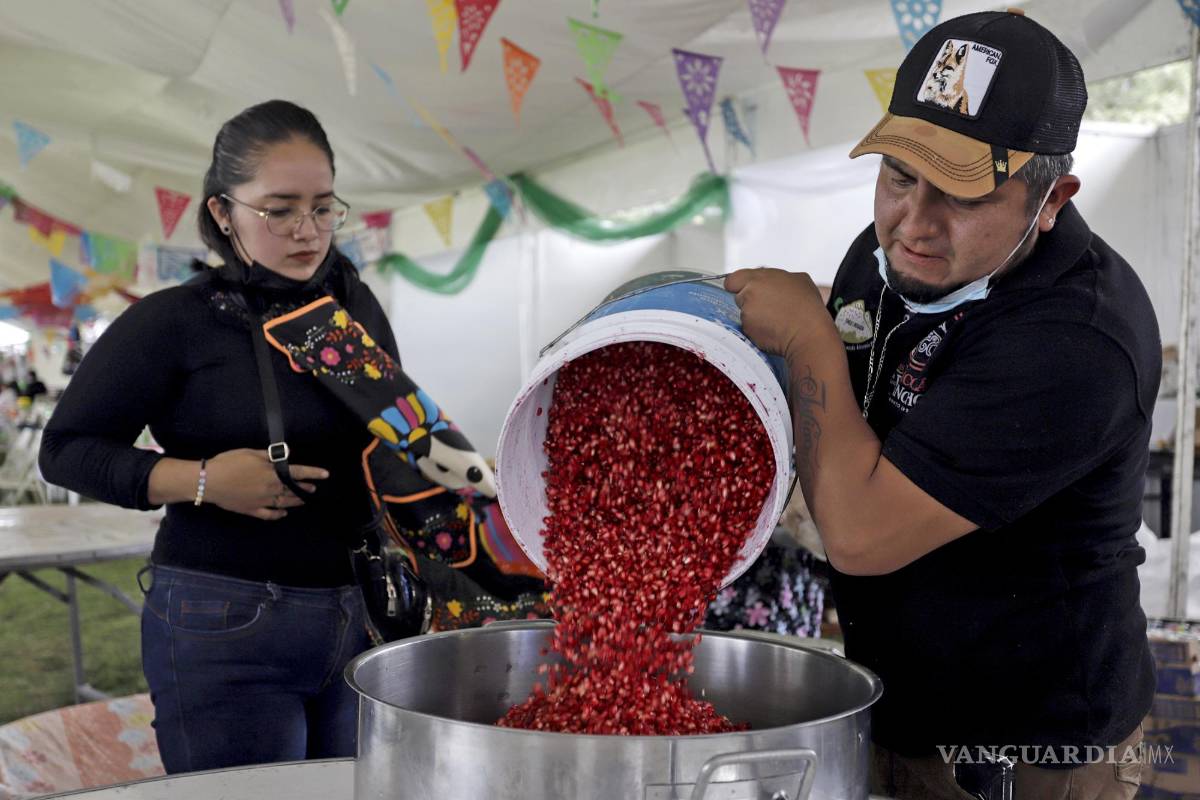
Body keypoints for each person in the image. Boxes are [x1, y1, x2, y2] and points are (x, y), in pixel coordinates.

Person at [726, 10, 1156, 799]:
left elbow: (857, 536)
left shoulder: (1078, 339)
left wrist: (808, 339)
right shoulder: (887, 248)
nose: (912, 226)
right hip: (897, 702)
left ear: (1051, 197)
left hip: (1033, 745)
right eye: (898, 175)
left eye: (963, 195)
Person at [39, 100, 399, 773]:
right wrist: (202, 479)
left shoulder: (353, 305)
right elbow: (65, 449)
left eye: (324, 207)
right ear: (222, 213)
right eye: (280, 208)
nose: (307, 231)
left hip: (364, 618)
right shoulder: (174, 320)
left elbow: (384, 433)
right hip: (224, 624)